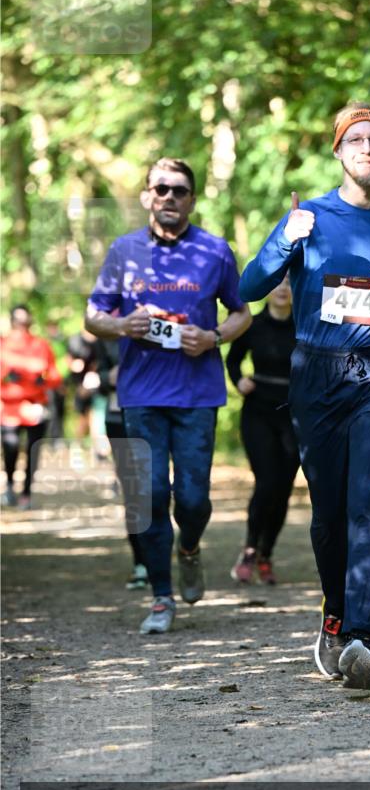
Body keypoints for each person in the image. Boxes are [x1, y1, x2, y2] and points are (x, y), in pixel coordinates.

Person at [240, 102, 370, 689]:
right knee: (328, 515)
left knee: (369, 500)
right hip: (317, 374)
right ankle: (334, 613)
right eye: (356, 141)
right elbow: (249, 287)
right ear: (339, 152)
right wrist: (281, 242)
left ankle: (362, 638)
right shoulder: (309, 217)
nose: (368, 149)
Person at [85, 157, 251, 635]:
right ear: (147, 197)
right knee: (152, 495)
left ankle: (190, 548)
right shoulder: (123, 251)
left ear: (192, 199)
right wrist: (122, 324)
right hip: (141, 393)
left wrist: (214, 336)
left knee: (193, 500)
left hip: (198, 392)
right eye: (161, 189)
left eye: (179, 190)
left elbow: (243, 314)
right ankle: (161, 597)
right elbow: (93, 317)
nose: (170, 197)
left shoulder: (215, 251)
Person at [226, 275, 300, 585]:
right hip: (258, 412)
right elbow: (233, 360)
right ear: (267, 290)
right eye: (277, 283)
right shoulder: (252, 325)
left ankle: (266, 553)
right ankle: (249, 549)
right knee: (267, 481)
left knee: (283, 489)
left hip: (295, 415)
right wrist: (239, 380)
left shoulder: (307, 327)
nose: (283, 289)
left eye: (290, 283)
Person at [95, 336, 148, 590]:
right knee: (133, 491)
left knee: (156, 488)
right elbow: (99, 378)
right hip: (118, 417)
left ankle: (162, 555)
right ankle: (141, 563)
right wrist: (109, 378)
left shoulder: (168, 316)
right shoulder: (109, 334)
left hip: (156, 415)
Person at [1, 305, 63, 510]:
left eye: (25, 323)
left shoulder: (41, 345)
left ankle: (27, 493)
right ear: (12, 322)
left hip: (35, 406)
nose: (22, 327)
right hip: (10, 406)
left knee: (33, 450)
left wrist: (43, 381)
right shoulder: (3, 345)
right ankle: (10, 484)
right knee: (10, 446)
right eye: (18, 323)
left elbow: (54, 376)